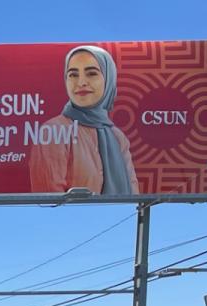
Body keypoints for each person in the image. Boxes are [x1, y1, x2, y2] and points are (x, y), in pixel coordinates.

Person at [28, 45, 138, 196]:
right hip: (68, 220)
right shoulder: (54, 131)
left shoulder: (117, 137)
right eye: (73, 75)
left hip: (120, 219)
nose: (81, 82)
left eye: (91, 73)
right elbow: (48, 201)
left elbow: (133, 198)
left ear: (108, 79)